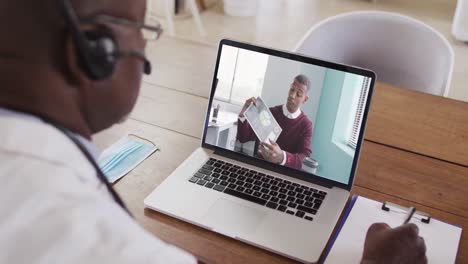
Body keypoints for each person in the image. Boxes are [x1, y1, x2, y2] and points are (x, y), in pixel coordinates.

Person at [0, 0, 427, 263]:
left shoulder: (308, 125)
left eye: (301, 90)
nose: (146, 48)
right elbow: (243, 136)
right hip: (242, 170)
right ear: (96, 53)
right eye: (143, 30)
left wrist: (284, 159)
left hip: (290, 181)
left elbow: (308, 160)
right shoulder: (107, 247)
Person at [237, 75, 313, 170]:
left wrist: (282, 157)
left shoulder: (306, 125)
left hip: (284, 175)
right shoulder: (271, 112)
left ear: (305, 99)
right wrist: (243, 115)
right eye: (292, 90)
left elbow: (305, 158)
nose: (292, 96)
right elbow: (243, 138)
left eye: (299, 94)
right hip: (259, 168)